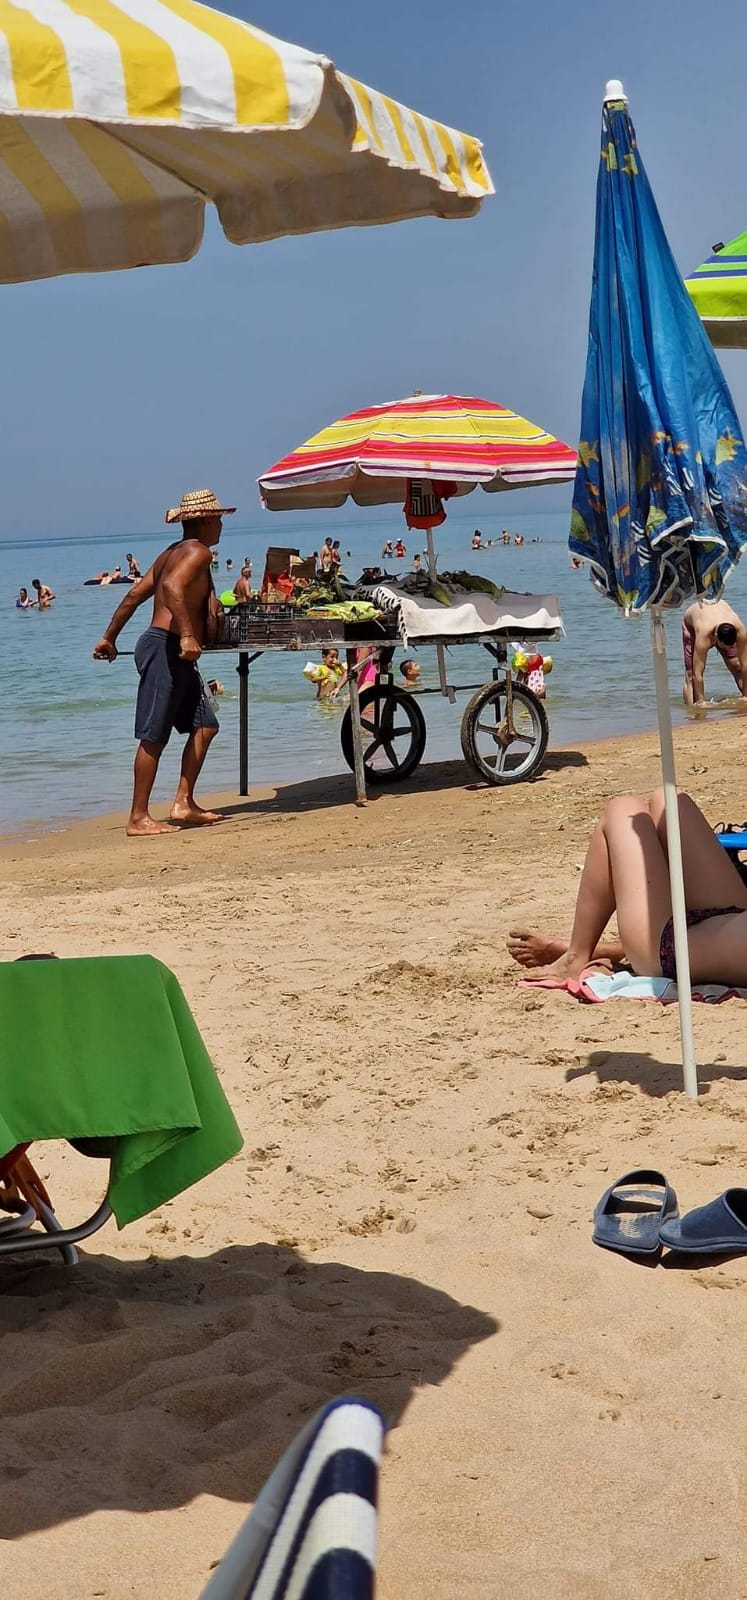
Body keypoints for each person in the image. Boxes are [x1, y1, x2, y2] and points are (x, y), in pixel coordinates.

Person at [92, 486, 236, 837]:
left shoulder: (170, 553)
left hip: (170, 648)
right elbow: (170, 588)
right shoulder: (197, 552)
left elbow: (133, 596)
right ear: (203, 520)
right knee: (153, 736)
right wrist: (188, 634)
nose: (220, 525)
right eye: (217, 518)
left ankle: (183, 803)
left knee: (205, 725)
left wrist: (109, 637)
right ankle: (138, 817)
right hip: (166, 647)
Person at [507, 787, 747, 987]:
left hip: (670, 953)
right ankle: (583, 949)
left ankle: (575, 957)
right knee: (668, 800)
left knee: (622, 809)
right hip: (731, 916)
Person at [681, 598, 747, 705]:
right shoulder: (703, 634)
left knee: (737, 666)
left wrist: (745, 697)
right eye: (724, 646)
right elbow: (698, 674)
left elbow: (746, 665)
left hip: (719, 609)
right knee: (691, 673)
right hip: (693, 623)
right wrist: (701, 703)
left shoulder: (740, 630)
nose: (725, 648)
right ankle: (693, 712)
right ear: (716, 638)